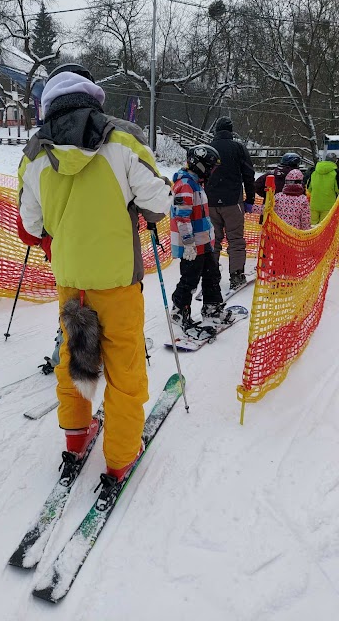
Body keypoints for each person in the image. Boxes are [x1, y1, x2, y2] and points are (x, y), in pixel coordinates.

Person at [17, 63, 171, 485]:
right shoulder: (122, 139)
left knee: (74, 358)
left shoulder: (34, 154)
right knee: (124, 367)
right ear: (93, 98)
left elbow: (30, 228)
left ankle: (76, 437)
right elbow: (158, 202)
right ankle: (120, 457)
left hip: (70, 279)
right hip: (118, 279)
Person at [170, 144, 232, 340]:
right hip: (192, 246)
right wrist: (188, 243)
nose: (213, 172)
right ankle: (179, 311)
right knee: (190, 279)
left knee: (212, 275)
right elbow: (182, 217)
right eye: (211, 167)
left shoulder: (196, 183)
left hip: (203, 242)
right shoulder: (185, 185)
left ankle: (212, 308)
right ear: (201, 165)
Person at [205, 116, 256, 290]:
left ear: (216, 131)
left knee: (213, 240)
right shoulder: (238, 148)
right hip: (233, 201)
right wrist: (249, 199)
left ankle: (211, 275)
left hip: (210, 201)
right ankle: (236, 275)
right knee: (235, 239)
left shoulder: (207, 149)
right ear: (231, 131)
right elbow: (249, 174)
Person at [309, 152, 339, 224]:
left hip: (314, 204)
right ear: (335, 161)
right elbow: (337, 189)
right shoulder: (335, 173)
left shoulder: (314, 171)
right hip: (329, 206)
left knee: (312, 228)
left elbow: (309, 188)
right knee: (324, 227)